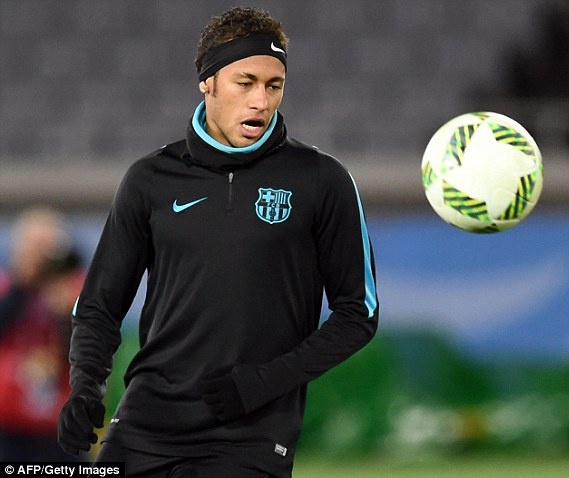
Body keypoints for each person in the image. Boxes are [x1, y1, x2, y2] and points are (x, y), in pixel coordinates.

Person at [58, 6, 378, 477]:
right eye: (245, 83)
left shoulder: (321, 180)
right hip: (145, 423)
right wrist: (86, 388)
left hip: (249, 435)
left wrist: (264, 383)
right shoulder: (150, 179)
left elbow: (358, 314)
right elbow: (98, 306)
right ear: (207, 82)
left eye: (274, 85)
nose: (261, 101)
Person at [0, 207, 84, 461]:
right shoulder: (5, 287)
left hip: (61, 422)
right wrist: (20, 286)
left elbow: (90, 352)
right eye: (33, 247)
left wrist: (65, 313)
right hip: (9, 422)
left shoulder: (75, 290)